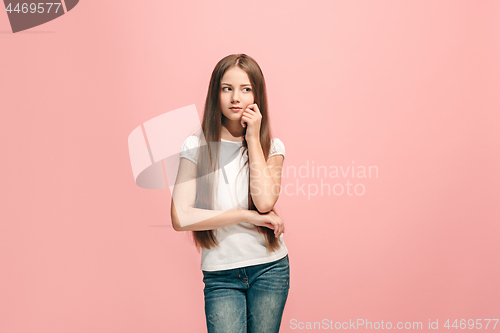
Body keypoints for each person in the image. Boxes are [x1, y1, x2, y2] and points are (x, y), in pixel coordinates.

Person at [170, 53, 289, 333]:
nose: (236, 98)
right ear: (216, 93)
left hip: (269, 269)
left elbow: (264, 202)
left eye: (246, 89)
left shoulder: (272, 148)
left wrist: (252, 138)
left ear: (257, 95)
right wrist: (244, 216)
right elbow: (180, 218)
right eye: (227, 88)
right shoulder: (196, 146)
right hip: (221, 275)